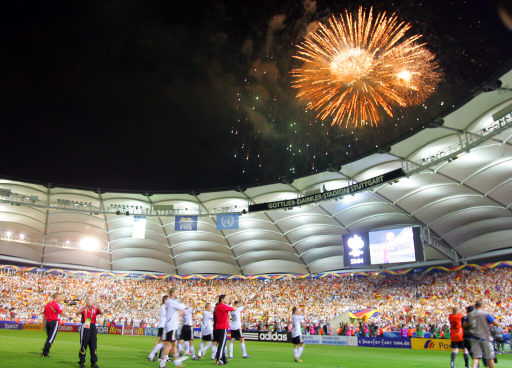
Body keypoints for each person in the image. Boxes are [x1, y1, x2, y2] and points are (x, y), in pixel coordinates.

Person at [159, 289, 190, 368]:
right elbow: (185, 307)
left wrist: (184, 299)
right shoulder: (172, 302)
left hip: (171, 326)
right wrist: (187, 299)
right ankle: (162, 364)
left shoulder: (171, 301)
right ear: (172, 293)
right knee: (169, 345)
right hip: (171, 326)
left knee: (174, 344)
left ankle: (177, 363)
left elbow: (179, 305)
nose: (177, 293)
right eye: (176, 292)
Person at [466, 301, 499, 368]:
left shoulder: (470, 314)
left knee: (476, 357)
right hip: (485, 337)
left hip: (474, 337)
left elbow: (465, 324)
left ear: (475, 306)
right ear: (482, 306)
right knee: (490, 357)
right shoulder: (486, 314)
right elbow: (496, 323)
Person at [77, 295, 103, 368]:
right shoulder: (83, 308)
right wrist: (79, 312)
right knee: (84, 343)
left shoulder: (95, 309)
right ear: (86, 301)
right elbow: (77, 313)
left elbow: (101, 312)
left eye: (91, 299)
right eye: (88, 299)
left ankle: (93, 362)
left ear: (93, 301)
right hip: (86, 324)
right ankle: (82, 362)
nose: (89, 301)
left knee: (93, 344)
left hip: (92, 325)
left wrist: (100, 308)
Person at [213, 294, 235, 366]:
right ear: (222, 299)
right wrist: (232, 302)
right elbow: (233, 309)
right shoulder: (223, 306)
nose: (227, 299)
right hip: (223, 327)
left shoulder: (218, 306)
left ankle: (223, 359)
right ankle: (218, 360)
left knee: (221, 344)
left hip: (218, 327)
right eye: (226, 298)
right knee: (222, 345)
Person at [42, 292, 64, 358]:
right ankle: (45, 352)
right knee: (51, 339)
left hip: (47, 322)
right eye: (60, 297)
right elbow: (62, 313)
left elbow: (44, 314)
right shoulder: (56, 305)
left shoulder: (48, 304)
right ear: (56, 297)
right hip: (54, 322)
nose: (61, 298)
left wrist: (43, 322)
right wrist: (67, 306)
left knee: (49, 337)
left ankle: (45, 351)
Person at [148, 295, 169, 362]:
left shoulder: (163, 307)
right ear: (165, 300)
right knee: (165, 342)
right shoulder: (164, 307)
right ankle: (158, 355)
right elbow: (166, 315)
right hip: (163, 325)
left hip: (162, 325)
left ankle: (157, 354)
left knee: (161, 340)